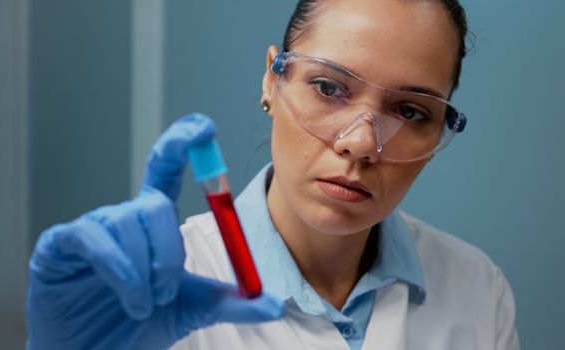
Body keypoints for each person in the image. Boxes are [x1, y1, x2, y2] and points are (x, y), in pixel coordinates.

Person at [26, 0, 520, 349]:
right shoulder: (157, 290)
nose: (361, 143)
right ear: (271, 80)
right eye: (329, 87)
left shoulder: (477, 287)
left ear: (437, 136)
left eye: (411, 112)